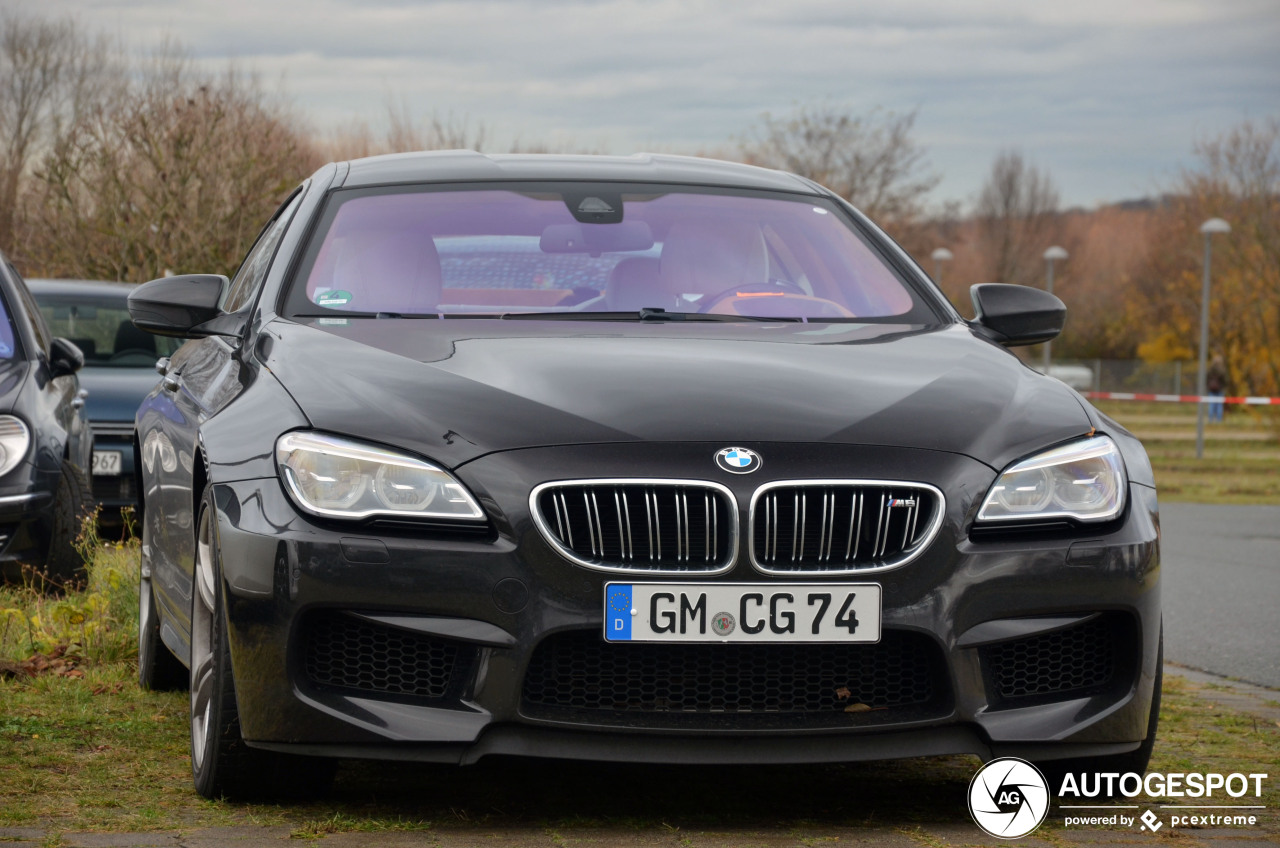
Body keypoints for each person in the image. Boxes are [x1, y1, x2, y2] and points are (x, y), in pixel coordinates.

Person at [1206, 354, 1227, 423]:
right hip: (1219, 389)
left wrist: (1208, 386)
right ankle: (1219, 420)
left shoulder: (1210, 369)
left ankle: (1210, 419)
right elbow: (1224, 379)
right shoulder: (1222, 370)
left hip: (1211, 389)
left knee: (1211, 405)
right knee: (1219, 405)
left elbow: (1207, 379)